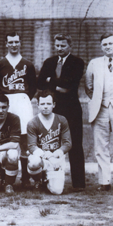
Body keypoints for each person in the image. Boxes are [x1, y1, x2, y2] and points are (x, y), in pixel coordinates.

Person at [37, 34, 85, 191]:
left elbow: (71, 85)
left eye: (63, 46)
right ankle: (47, 180)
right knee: (50, 143)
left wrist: (51, 82)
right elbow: (39, 82)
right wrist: (58, 86)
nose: (59, 48)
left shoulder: (77, 62)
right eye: (57, 45)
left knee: (75, 144)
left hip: (72, 110)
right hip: (52, 110)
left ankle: (78, 184)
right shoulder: (49, 62)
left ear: (69, 46)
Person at [0, 31, 36, 188]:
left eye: (16, 42)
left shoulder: (28, 64)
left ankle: (25, 177)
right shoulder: (0, 64)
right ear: (6, 44)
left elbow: (33, 87)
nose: (14, 45)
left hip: (22, 101)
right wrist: (2, 100)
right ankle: (2, 176)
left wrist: (23, 98)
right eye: (11, 42)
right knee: (4, 136)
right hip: (6, 101)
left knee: (23, 138)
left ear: (20, 42)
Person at [27, 90, 72, 195]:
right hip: (42, 157)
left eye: (48, 103)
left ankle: (47, 180)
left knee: (57, 191)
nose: (45, 106)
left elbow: (67, 143)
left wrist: (57, 153)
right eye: (42, 104)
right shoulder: (33, 123)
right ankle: (38, 180)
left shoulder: (61, 120)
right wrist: (45, 155)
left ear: (54, 105)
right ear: (38, 105)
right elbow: (31, 146)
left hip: (56, 157)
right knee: (34, 163)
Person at [85, 32, 113, 191]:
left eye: (111, 43)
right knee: (101, 146)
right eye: (105, 44)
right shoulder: (94, 63)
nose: (108, 47)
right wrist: (98, 101)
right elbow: (88, 86)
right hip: (100, 109)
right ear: (101, 47)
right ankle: (105, 182)